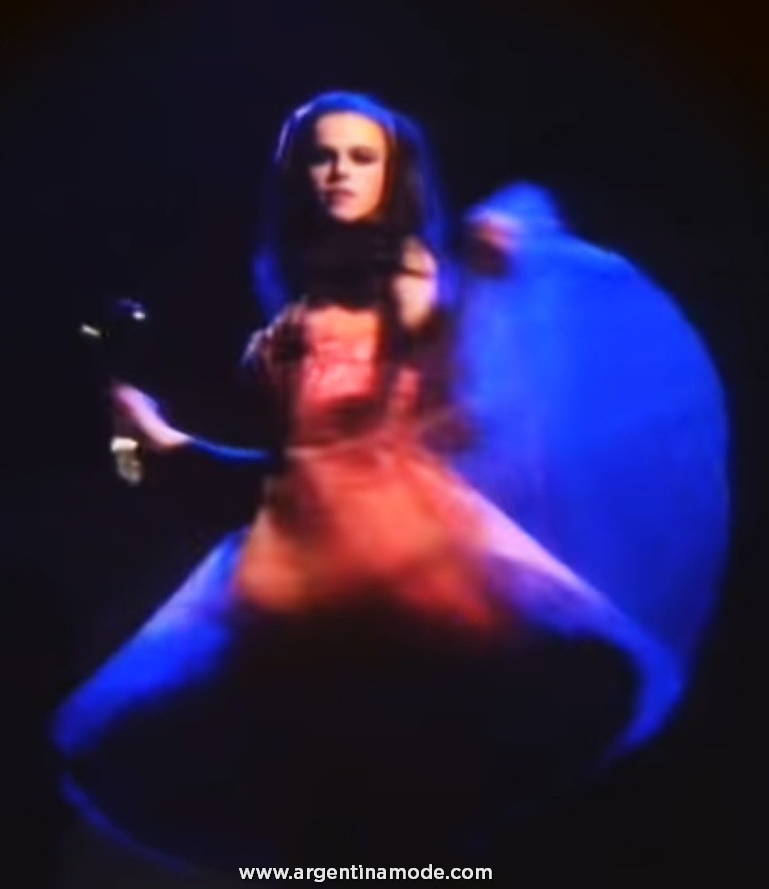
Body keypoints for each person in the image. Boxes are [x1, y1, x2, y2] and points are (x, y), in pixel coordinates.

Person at [52, 92, 679, 871]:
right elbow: (295, 467)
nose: (338, 172)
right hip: (304, 556)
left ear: (391, 173)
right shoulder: (297, 302)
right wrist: (157, 438)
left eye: (360, 157)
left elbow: (423, 408)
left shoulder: (407, 278)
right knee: (331, 797)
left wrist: (478, 301)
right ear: (295, 173)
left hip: (397, 554)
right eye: (321, 156)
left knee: (397, 779)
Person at [453, 182, 730, 668]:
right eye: (481, 241)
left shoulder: (576, 286)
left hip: (572, 493)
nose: (490, 248)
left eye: (498, 239)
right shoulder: (479, 306)